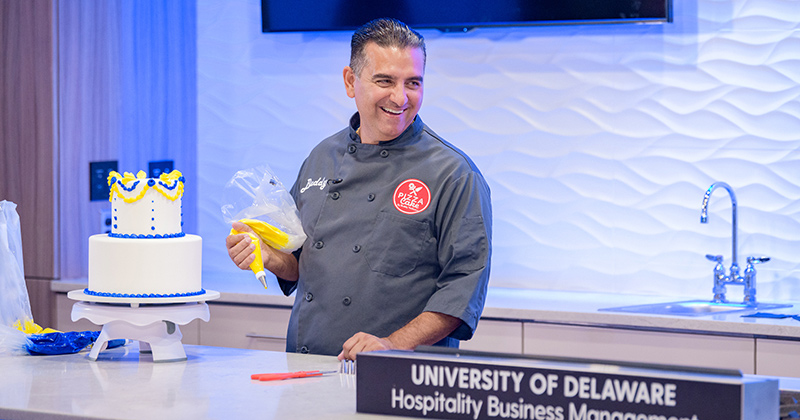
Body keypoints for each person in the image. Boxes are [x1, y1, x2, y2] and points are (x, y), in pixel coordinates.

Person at [226, 18, 492, 361]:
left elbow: (462, 289)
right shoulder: (321, 158)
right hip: (306, 366)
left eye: (413, 82)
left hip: (397, 378)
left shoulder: (454, 174)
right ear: (351, 82)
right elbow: (301, 265)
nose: (400, 97)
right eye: (385, 81)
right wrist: (266, 255)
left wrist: (393, 343)